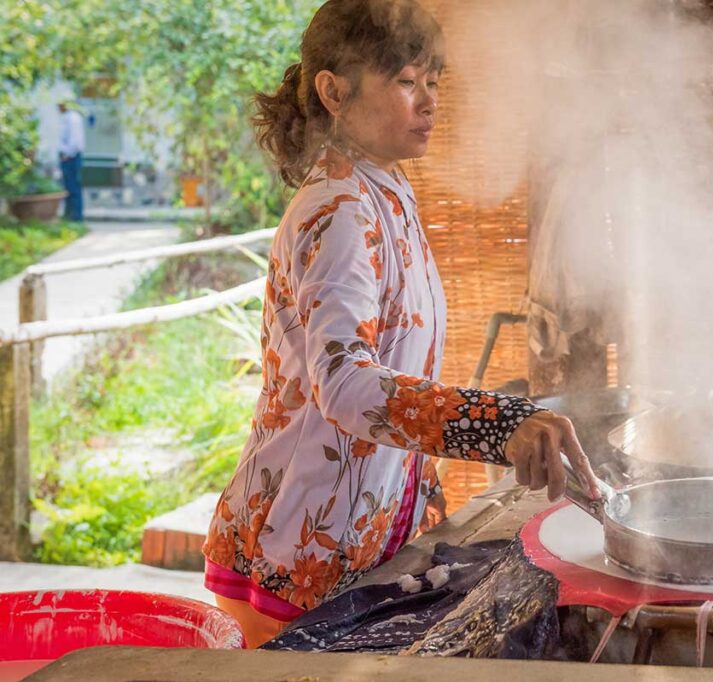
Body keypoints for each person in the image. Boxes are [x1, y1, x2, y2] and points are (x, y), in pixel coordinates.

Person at [202, 0, 602, 648]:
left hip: (351, 545)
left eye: (435, 81)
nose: (429, 100)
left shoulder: (384, 187)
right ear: (334, 92)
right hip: (296, 563)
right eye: (407, 82)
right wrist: (496, 424)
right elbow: (348, 385)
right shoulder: (336, 211)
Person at [57, 100, 85, 222]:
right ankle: (69, 215)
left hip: (71, 157)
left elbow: (75, 141)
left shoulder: (73, 118)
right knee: (68, 187)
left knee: (73, 187)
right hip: (67, 156)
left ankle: (76, 217)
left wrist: (67, 155)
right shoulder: (66, 117)